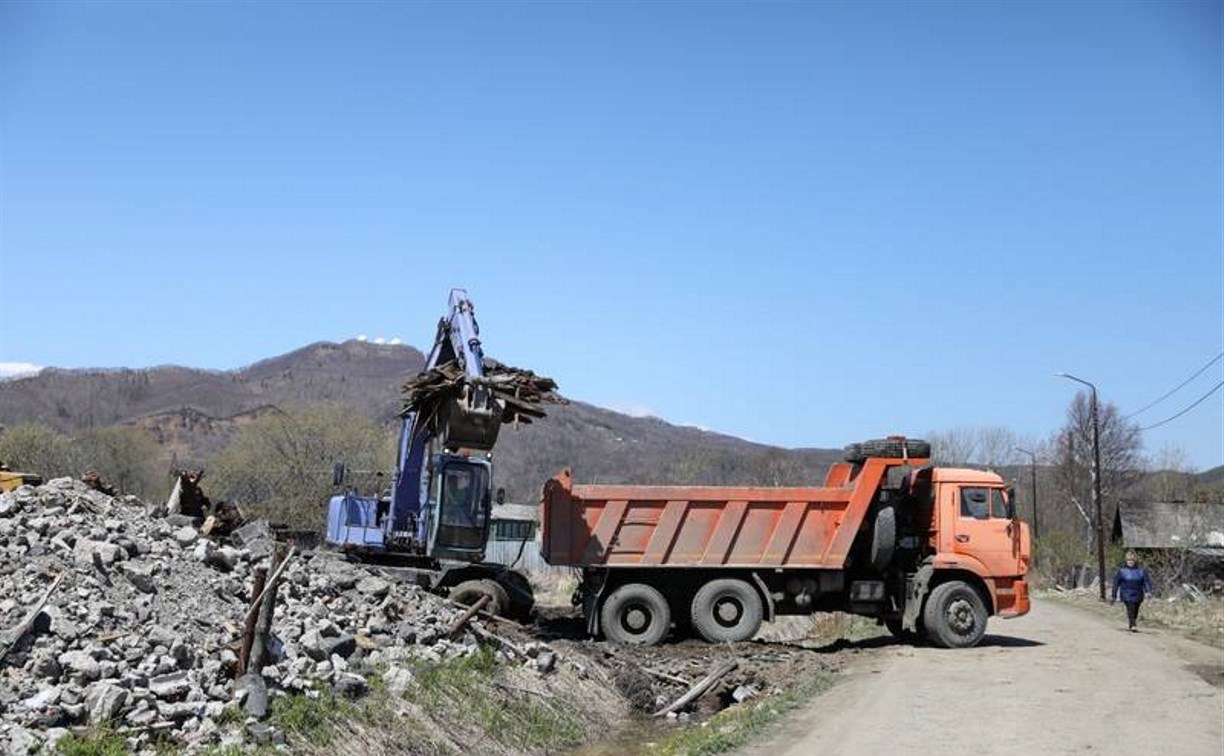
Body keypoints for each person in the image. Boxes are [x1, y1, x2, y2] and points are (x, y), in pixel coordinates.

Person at [1110, 550, 1154, 632]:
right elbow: (1115, 583)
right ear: (1126, 561)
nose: (1130, 562)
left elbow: (1146, 582)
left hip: (1138, 593)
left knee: (1136, 610)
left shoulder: (1141, 571)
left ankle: (1132, 623)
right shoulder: (1122, 571)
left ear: (1135, 561)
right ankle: (1133, 624)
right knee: (1131, 608)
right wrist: (1114, 595)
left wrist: (1148, 592)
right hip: (1126, 593)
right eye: (1129, 560)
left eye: (1132, 560)